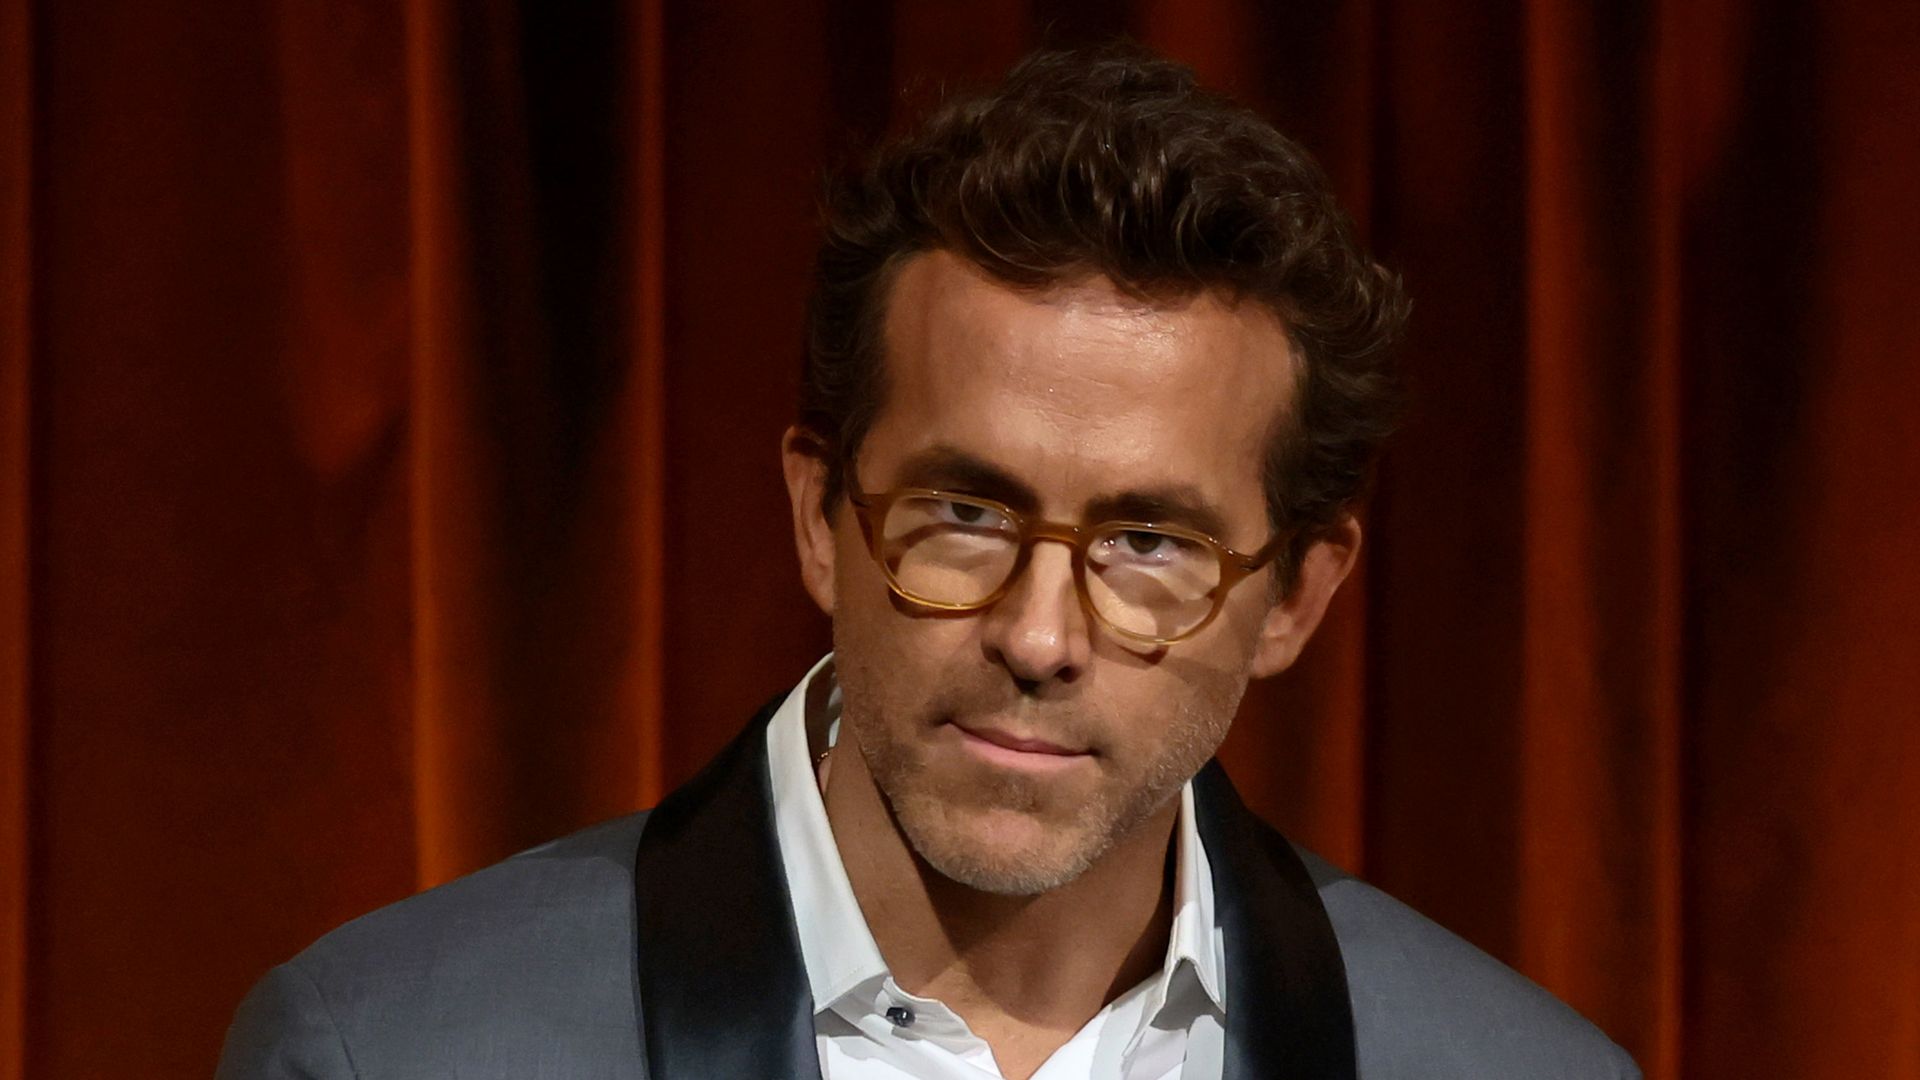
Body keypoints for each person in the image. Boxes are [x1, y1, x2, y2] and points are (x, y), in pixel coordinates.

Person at [218, 44, 1639, 1080]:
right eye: (965, 514)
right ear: (815, 515)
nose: (1037, 634)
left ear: (1298, 597)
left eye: (1149, 543)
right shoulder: (387, 1052)